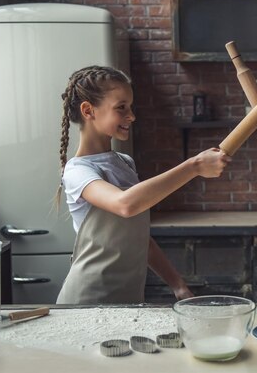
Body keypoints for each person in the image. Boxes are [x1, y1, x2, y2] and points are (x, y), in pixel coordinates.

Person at [55, 65, 231, 304]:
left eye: (130, 107)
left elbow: (138, 237)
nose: (131, 116)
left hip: (129, 297)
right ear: (88, 110)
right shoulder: (78, 171)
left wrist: (177, 284)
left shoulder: (124, 163)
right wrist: (194, 167)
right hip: (87, 300)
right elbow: (125, 204)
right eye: (121, 108)